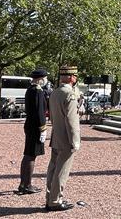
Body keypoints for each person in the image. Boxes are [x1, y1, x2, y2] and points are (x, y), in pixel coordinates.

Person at [45, 65, 80, 211]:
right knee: (62, 170)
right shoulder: (69, 94)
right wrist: (75, 141)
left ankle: (50, 198)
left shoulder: (55, 93)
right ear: (72, 77)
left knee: (53, 168)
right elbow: (72, 121)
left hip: (56, 135)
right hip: (66, 137)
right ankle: (55, 200)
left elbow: (52, 116)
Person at [18, 69, 49, 194]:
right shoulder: (37, 91)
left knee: (28, 155)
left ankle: (23, 183)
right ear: (40, 79)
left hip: (30, 125)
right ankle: (27, 184)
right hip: (36, 126)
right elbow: (39, 112)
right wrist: (43, 127)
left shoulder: (31, 90)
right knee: (31, 155)